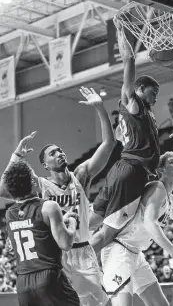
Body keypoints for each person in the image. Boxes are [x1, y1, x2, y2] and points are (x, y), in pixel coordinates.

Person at [0, 87, 115, 306]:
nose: (59, 153)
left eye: (60, 150)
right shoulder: (40, 185)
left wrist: (100, 108)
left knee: (104, 303)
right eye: (53, 153)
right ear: (44, 164)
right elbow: (4, 189)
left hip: (82, 250)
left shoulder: (81, 175)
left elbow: (108, 145)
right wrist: (15, 156)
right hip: (57, 258)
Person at [101, 151, 173, 306]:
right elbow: (150, 223)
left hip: (136, 254)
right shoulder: (157, 188)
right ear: (160, 170)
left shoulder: (170, 199)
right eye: (172, 162)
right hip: (119, 251)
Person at [90, 17, 160, 252]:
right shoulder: (134, 103)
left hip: (122, 169)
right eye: (153, 92)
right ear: (140, 89)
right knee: (107, 233)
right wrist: (121, 30)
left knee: (92, 221)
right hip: (131, 173)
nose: (155, 97)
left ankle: (60, 245)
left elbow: (121, 136)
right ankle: (72, 271)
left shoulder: (143, 116)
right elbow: (128, 60)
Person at [3, 158, 80, 306]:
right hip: (48, 278)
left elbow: (12, 245)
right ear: (32, 182)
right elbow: (65, 243)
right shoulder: (49, 206)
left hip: (23, 283)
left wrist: (59, 220)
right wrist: (72, 223)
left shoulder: (9, 214)